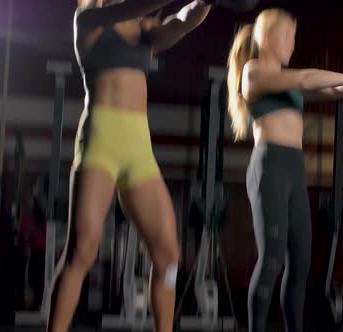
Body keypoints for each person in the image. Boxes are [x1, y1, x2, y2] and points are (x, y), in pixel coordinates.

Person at [46, 1, 212, 331]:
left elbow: (182, 20)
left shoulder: (144, 28)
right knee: (82, 250)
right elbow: (129, 8)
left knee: (168, 255)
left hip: (139, 148)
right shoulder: (89, 18)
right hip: (100, 142)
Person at [226, 8, 343, 332]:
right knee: (271, 259)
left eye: (294, 35)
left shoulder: (286, 82)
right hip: (270, 167)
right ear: (265, 38)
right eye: (287, 34)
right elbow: (305, 77)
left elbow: (325, 90)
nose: (292, 42)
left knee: (300, 263)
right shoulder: (254, 72)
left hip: (293, 171)